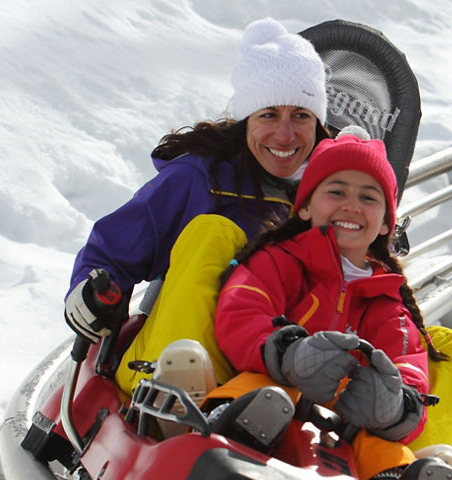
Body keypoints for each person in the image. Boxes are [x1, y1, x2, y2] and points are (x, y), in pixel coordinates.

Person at [62, 17, 331, 395]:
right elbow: (116, 247)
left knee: (442, 347)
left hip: (274, 376)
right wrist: (93, 291)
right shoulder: (202, 179)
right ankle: (175, 395)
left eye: (300, 116)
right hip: (170, 361)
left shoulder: (332, 194)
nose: (285, 134)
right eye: (269, 114)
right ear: (246, 120)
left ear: (317, 122)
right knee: (214, 233)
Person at [210, 130, 452, 480]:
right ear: (304, 206)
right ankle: (233, 430)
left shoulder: (387, 302)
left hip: (342, 427)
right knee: (262, 391)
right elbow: (242, 311)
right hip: (273, 389)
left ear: (384, 225)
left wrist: (393, 405)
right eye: (336, 191)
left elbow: (410, 367)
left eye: (368, 197)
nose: (352, 205)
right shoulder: (277, 261)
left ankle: (395, 474)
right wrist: (288, 353)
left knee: (379, 444)